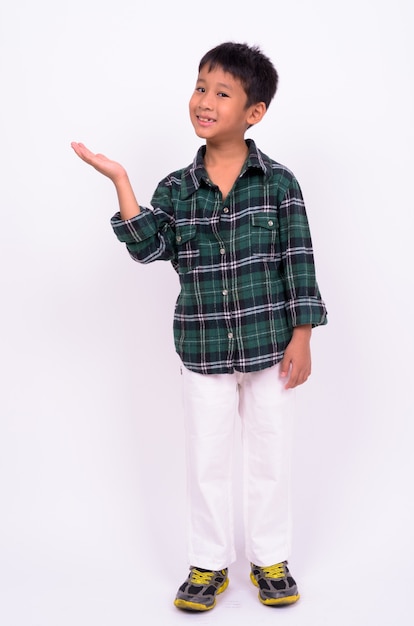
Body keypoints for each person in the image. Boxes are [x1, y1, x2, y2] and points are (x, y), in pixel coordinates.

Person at [71, 41, 327, 612]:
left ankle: (270, 560)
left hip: (270, 348)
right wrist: (121, 182)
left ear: (254, 112)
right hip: (203, 346)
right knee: (207, 459)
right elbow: (149, 249)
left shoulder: (279, 184)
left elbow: (299, 259)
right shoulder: (175, 189)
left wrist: (304, 334)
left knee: (270, 455)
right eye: (200, 87)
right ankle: (209, 565)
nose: (204, 101)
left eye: (221, 93)